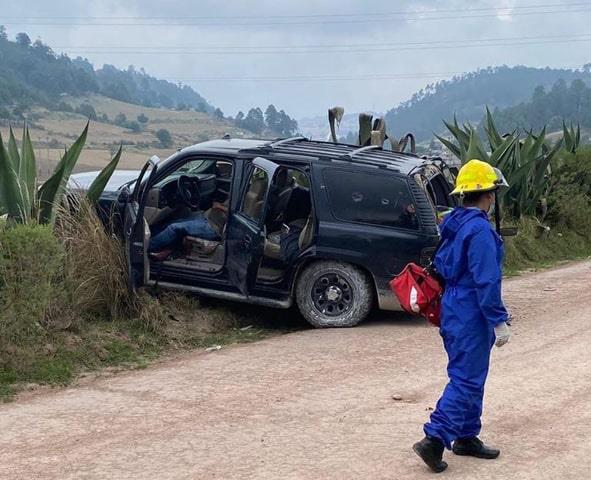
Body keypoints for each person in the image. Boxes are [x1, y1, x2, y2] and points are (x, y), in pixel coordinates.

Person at [413, 159, 512, 473]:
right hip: (472, 308)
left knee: (470, 373)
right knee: (467, 379)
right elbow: (486, 279)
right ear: (488, 194)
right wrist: (498, 319)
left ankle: (467, 436)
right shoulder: (480, 230)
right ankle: (435, 438)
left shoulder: (453, 223)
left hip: (453, 306)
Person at [149, 200, 228, 254]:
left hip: (213, 227)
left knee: (174, 227)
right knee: (172, 221)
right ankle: (152, 236)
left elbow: (233, 212)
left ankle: (147, 246)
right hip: (207, 216)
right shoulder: (237, 187)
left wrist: (220, 207)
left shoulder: (239, 192)